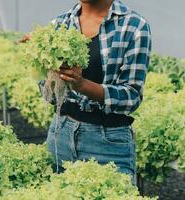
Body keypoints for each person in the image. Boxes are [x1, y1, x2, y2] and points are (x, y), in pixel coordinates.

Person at [22, 0, 152, 185]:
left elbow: (131, 97)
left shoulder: (134, 26)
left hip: (108, 143)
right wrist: (42, 62)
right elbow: (50, 97)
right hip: (61, 134)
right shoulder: (59, 24)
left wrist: (81, 85)